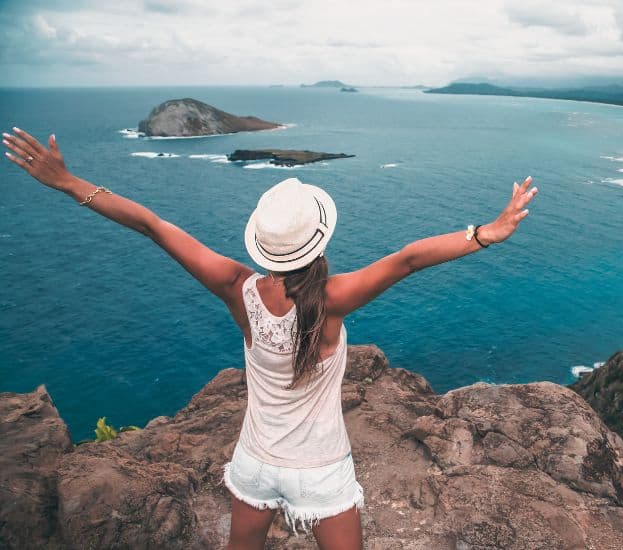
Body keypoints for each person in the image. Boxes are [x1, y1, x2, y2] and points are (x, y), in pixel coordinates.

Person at [3, 127, 538, 550]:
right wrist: (485, 233)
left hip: (253, 462)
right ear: (318, 239)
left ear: (264, 245)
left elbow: (152, 225)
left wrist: (70, 182)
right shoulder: (332, 299)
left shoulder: (238, 289)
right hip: (321, 470)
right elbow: (408, 258)